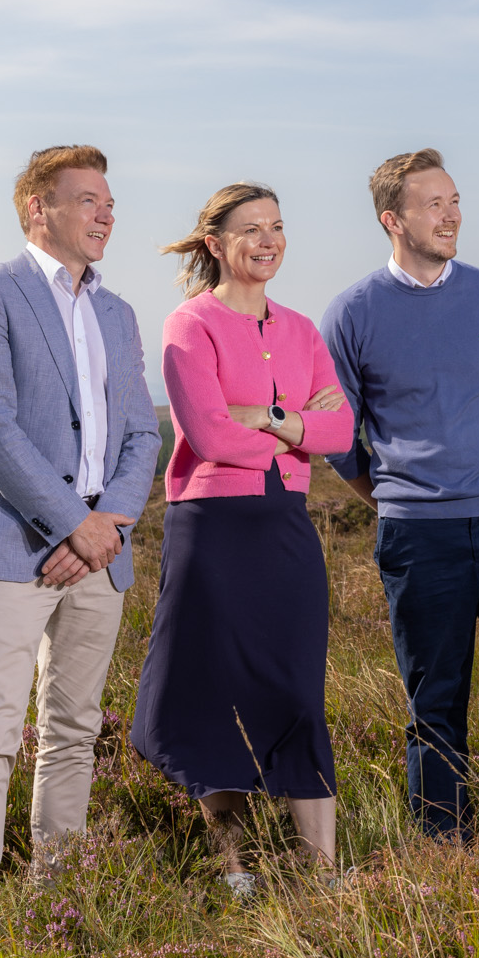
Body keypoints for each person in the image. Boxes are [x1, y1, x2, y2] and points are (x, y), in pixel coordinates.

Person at [322, 148, 479, 839]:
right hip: (417, 536)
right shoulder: (350, 313)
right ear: (392, 219)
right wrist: (390, 497)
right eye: (434, 204)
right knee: (435, 701)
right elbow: (337, 434)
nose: (452, 215)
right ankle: (444, 842)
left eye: (455, 200)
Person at [0, 145, 163, 913]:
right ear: (40, 208)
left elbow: (142, 436)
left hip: (103, 553)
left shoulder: (118, 312)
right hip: (8, 547)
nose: (106, 214)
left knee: (73, 730)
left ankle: (54, 897)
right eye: (88, 200)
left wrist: (109, 527)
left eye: (109, 202)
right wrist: (75, 526)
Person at [131, 183, 354, 897]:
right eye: (251, 229)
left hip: (284, 529)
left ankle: (320, 873)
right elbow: (209, 435)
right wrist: (296, 429)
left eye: (278, 227)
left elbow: (342, 432)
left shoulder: (303, 331)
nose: (268, 240)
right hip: (212, 531)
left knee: (296, 693)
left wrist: (270, 416)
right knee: (210, 694)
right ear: (215, 244)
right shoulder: (187, 325)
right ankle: (235, 870)